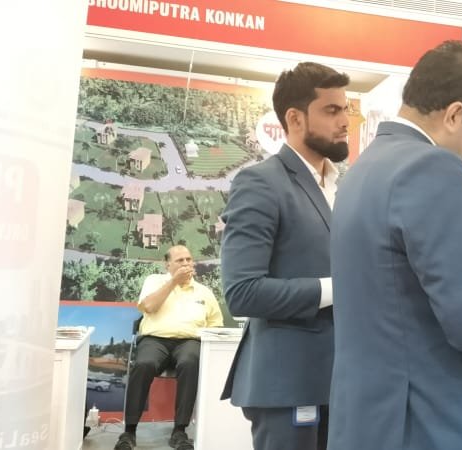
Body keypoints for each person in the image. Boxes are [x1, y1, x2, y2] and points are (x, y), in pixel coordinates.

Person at [328, 40, 462, 450]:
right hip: (426, 421)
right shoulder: (435, 168)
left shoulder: (362, 169)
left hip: (368, 418)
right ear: (455, 114)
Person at [220, 61, 349, 450]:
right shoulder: (261, 182)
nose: (344, 122)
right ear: (294, 118)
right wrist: (339, 288)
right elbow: (243, 292)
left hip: (344, 381)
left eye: (346, 110)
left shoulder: (344, 186)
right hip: (289, 383)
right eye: (332, 110)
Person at [114, 245, 224, 450]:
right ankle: (129, 432)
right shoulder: (154, 281)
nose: (186, 264)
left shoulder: (204, 292)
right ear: (168, 265)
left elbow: (216, 326)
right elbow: (149, 307)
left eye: (189, 259)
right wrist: (174, 281)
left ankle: (180, 431)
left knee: (190, 363)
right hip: (155, 340)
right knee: (144, 364)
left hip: (190, 342)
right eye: (180, 260)